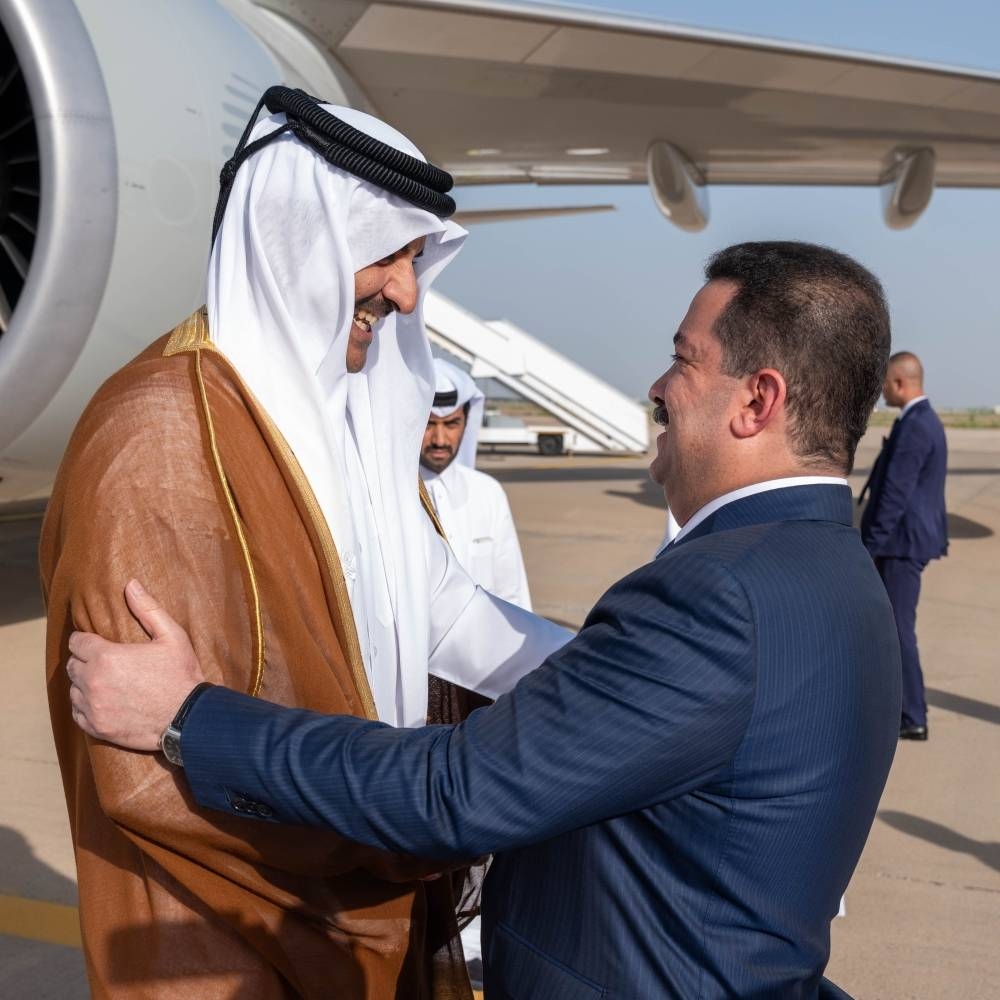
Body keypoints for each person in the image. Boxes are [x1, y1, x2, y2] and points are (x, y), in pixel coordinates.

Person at [68, 241, 902, 998]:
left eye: (684, 360)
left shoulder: (719, 593)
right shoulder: (837, 575)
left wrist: (185, 718)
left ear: (757, 401)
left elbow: (452, 792)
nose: (656, 386)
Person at [42, 88, 568, 999]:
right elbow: (139, 772)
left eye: (417, 260)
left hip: (365, 876)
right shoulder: (157, 436)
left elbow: (443, 610)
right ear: (300, 237)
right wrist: (407, 822)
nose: (407, 292)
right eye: (390, 255)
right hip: (220, 920)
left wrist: (634, 676)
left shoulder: (356, 419)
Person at [859, 350, 948, 740]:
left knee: (898, 630)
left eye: (884, 383)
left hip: (900, 545)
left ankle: (913, 715)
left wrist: (869, 545)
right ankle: (906, 708)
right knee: (894, 627)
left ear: (900, 383)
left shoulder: (915, 426)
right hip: (904, 542)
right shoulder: (919, 420)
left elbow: (895, 493)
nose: (881, 391)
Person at [420, 358, 532, 609]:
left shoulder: (487, 493)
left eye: (451, 424)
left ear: (466, 423)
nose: (439, 439)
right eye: (429, 424)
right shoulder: (387, 495)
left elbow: (511, 592)